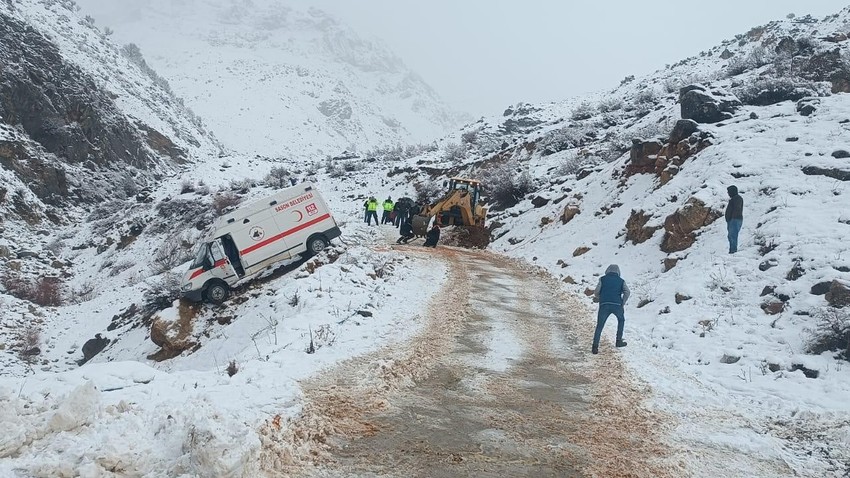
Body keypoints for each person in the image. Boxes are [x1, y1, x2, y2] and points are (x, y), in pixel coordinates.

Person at [592, 264, 630, 355]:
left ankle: (595, 346)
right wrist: (622, 302)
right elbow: (627, 292)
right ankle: (618, 340)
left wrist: (601, 297)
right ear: (618, 272)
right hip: (617, 305)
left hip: (604, 305)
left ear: (607, 270)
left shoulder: (602, 279)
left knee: (600, 325)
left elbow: (596, 292)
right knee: (621, 320)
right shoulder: (621, 281)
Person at [725, 185, 743, 254]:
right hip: (732, 220)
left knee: (733, 235)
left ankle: (733, 251)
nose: (728, 193)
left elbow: (737, 209)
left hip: (735, 219)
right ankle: (732, 250)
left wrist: (732, 218)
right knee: (731, 235)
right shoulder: (734, 198)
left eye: (729, 192)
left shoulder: (737, 198)